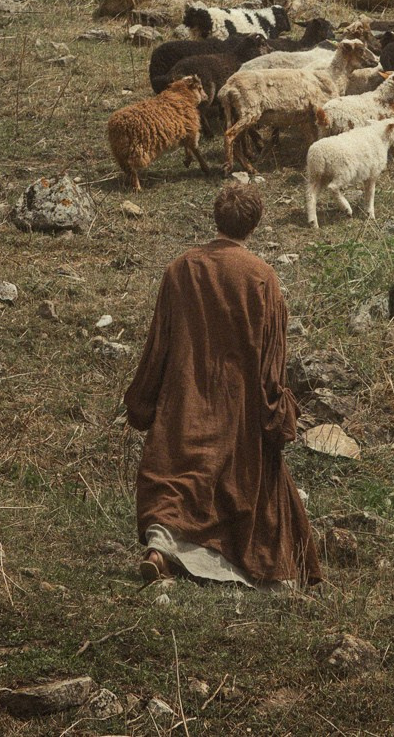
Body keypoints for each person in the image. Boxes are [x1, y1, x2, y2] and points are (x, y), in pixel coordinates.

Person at [121, 180, 320, 588]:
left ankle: (160, 548)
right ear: (255, 225)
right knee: (237, 486)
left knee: (175, 478)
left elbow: (159, 344)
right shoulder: (262, 278)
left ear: (216, 218)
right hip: (238, 409)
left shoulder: (180, 269)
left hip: (184, 401)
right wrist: (276, 413)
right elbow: (272, 362)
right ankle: (211, 561)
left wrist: (143, 400)